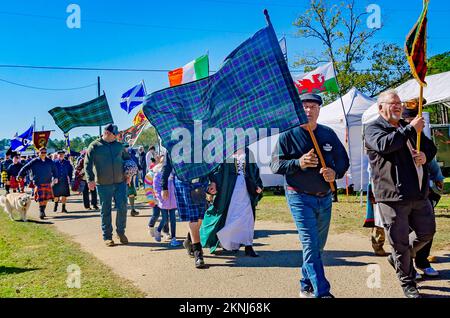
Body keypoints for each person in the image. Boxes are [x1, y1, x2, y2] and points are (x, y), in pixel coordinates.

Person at [271, 93, 350, 298]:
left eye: (313, 107)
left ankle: (305, 283)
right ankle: (321, 291)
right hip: (299, 196)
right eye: (305, 106)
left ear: (319, 110)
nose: (308, 110)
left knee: (318, 245)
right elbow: (275, 165)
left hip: (324, 197)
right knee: (310, 243)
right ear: (298, 109)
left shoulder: (328, 134)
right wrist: (299, 163)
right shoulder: (287, 135)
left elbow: (343, 161)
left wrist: (335, 172)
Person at [364, 90, 437, 298]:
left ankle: (399, 258)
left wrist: (424, 154)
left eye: (399, 103)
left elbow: (430, 148)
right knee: (400, 243)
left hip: (418, 194)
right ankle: (408, 283)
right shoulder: (373, 129)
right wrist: (410, 129)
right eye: (393, 103)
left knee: (427, 232)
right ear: (380, 108)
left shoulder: (407, 127)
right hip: (392, 196)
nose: (398, 106)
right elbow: (385, 145)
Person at [401, 100, 441, 278]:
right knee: (407, 230)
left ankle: (423, 262)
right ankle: (406, 265)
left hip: (423, 191)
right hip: (403, 192)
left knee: (426, 228)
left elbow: (431, 153)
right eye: (410, 117)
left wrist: (438, 177)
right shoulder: (398, 133)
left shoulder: (421, 136)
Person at [200, 148, 263, 257]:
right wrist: (213, 183)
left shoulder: (248, 151)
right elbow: (215, 169)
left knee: (247, 217)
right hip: (228, 189)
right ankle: (199, 238)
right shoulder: (224, 150)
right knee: (228, 216)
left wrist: (258, 185)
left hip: (245, 189)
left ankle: (248, 246)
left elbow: (254, 170)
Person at [84, 124, 131, 247]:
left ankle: (121, 232)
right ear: (107, 133)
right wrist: (90, 180)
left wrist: (129, 174)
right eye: (115, 135)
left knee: (122, 207)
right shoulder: (94, 146)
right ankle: (107, 237)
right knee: (106, 210)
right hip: (103, 184)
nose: (117, 137)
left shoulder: (119, 145)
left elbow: (127, 160)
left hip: (120, 182)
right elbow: (87, 164)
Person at [161, 154, 211, 269]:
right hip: (184, 183)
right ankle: (198, 254)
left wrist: (212, 181)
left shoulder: (202, 141)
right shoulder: (173, 143)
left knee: (200, 218)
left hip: (201, 182)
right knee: (193, 219)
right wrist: (164, 186)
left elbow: (209, 163)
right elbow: (167, 166)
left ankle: (189, 240)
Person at [18, 147, 58, 220]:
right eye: (42, 152)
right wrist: (20, 175)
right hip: (38, 182)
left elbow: (55, 169)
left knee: (46, 198)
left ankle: (43, 210)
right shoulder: (34, 161)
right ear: (38, 153)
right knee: (40, 198)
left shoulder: (49, 161)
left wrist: (56, 177)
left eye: (44, 152)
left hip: (48, 182)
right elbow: (25, 168)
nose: (43, 154)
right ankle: (41, 211)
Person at [152, 155, 182, 247]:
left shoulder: (173, 173)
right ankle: (158, 230)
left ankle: (173, 238)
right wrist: (160, 198)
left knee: (173, 219)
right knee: (165, 218)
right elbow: (156, 187)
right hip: (164, 201)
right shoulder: (158, 173)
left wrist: (177, 196)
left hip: (172, 200)